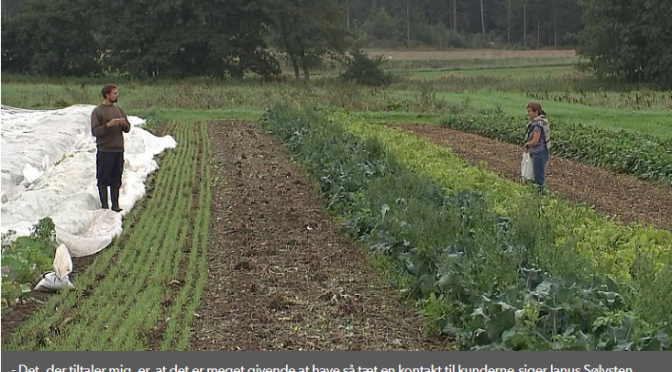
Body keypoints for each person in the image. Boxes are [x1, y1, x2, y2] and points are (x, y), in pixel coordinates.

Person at [91, 84, 131, 212]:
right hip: (105, 151)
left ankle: (115, 205)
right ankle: (104, 206)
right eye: (114, 93)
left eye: (117, 93)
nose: (117, 95)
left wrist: (124, 124)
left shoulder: (119, 110)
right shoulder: (98, 111)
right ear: (107, 95)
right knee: (103, 178)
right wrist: (108, 125)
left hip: (118, 150)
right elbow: (95, 131)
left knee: (116, 178)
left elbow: (128, 129)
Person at [523, 101, 551, 196]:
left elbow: (535, 141)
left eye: (530, 111)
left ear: (536, 112)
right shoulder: (542, 122)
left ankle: (541, 196)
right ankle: (539, 195)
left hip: (539, 153)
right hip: (543, 152)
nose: (528, 113)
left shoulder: (537, 124)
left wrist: (527, 144)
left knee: (539, 178)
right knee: (538, 176)